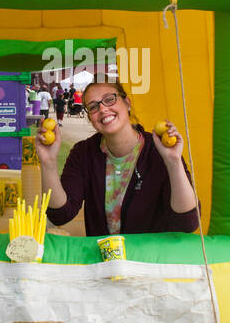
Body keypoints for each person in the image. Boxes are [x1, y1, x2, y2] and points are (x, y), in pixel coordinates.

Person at [36, 80, 200, 236]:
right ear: (90, 118)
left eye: (109, 99)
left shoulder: (158, 150)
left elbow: (188, 223)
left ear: (127, 103)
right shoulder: (83, 153)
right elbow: (60, 215)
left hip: (151, 260)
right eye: (93, 106)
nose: (103, 109)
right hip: (105, 261)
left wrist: (173, 162)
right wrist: (48, 162)